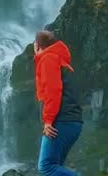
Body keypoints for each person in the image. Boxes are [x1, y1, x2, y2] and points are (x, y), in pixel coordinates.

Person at [34, 31, 83, 176]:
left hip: (60, 121)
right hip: (72, 121)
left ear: (37, 45)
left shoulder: (48, 59)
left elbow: (52, 91)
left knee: (46, 167)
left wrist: (48, 120)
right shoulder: (61, 61)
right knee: (56, 166)